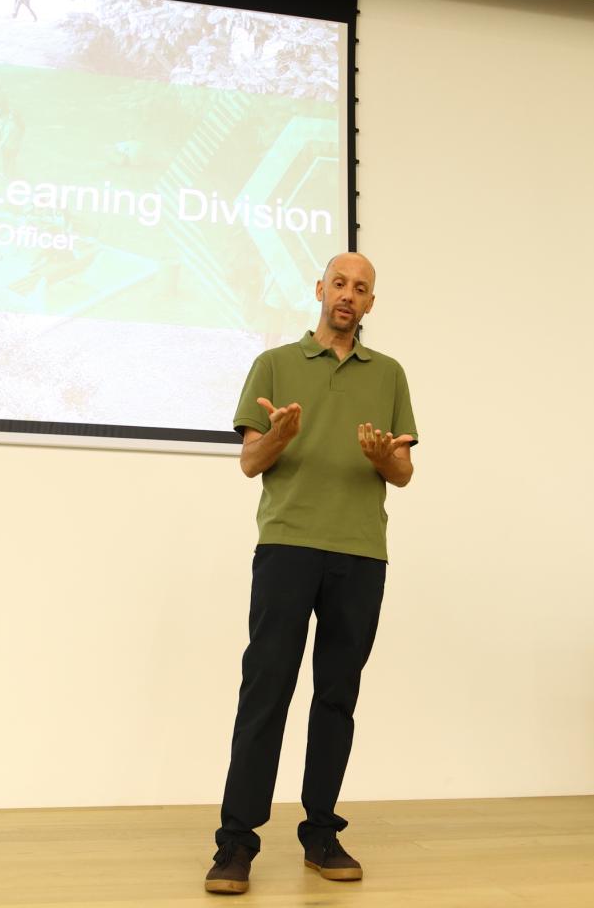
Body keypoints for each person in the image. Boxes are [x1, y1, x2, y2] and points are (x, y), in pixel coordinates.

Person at [205, 252, 418, 896]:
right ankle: (236, 842)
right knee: (266, 690)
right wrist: (280, 435)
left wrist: (383, 457)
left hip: (361, 553)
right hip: (288, 547)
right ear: (320, 289)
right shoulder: (275, 364)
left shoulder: (390, 374)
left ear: (371, 302)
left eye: (362, 288)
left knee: (336, 697)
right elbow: (250, 463)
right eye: (340, 283)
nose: (348, 295)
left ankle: (321, 832)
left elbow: (403, 473)